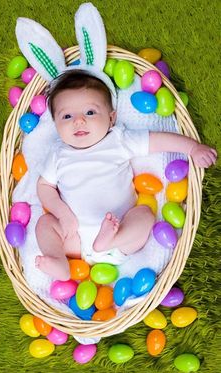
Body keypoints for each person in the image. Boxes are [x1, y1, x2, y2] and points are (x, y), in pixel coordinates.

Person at [35, 69, 217, 281]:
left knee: (144, 215)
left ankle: (107, 242)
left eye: (90, 112)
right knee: (45, 224)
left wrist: (192, 148)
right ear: (56, 125)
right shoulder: (58, 154)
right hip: (75, 241)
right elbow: (44, 187)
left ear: (111, 118)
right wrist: (63, 214)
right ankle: (59, 261)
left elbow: (158, 141)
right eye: (67, 116)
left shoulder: (118, 141)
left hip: (121, 236)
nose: (78, 121)